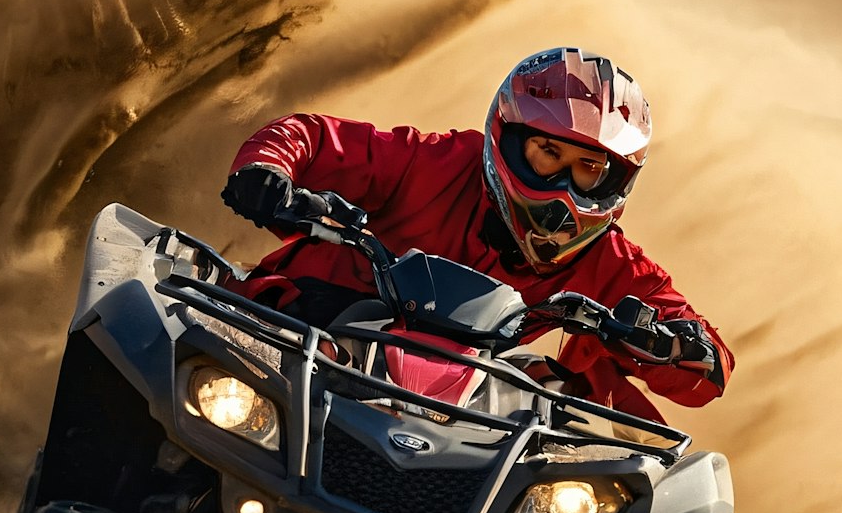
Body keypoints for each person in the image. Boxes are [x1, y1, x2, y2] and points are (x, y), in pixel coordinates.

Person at [221, 47, 732, 417]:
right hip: (296, 330)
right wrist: (266, 172)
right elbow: (310, 137)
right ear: (506, 139)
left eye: (587, 169)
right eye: (548, 154)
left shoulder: (611, 261)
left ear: (617, 178)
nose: (561, 187)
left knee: (584, 421)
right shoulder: (437, 163)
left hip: (452, 405)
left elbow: (707, 364)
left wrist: (685, 347)